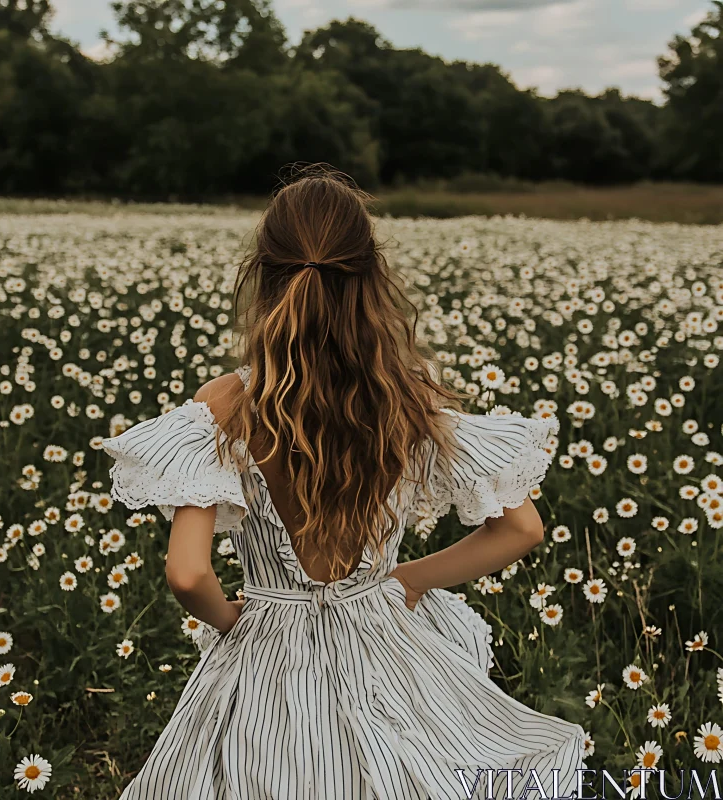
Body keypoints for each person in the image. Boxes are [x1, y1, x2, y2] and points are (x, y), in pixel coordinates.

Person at [101, 165, 586, 799]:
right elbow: (521, 527)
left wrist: (228, 619)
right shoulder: (408, 401)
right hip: (378, 632)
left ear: (265, 276)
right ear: (369, 277)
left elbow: (188, 574)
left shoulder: (226, 404)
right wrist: (407, 578)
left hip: (267, 647)